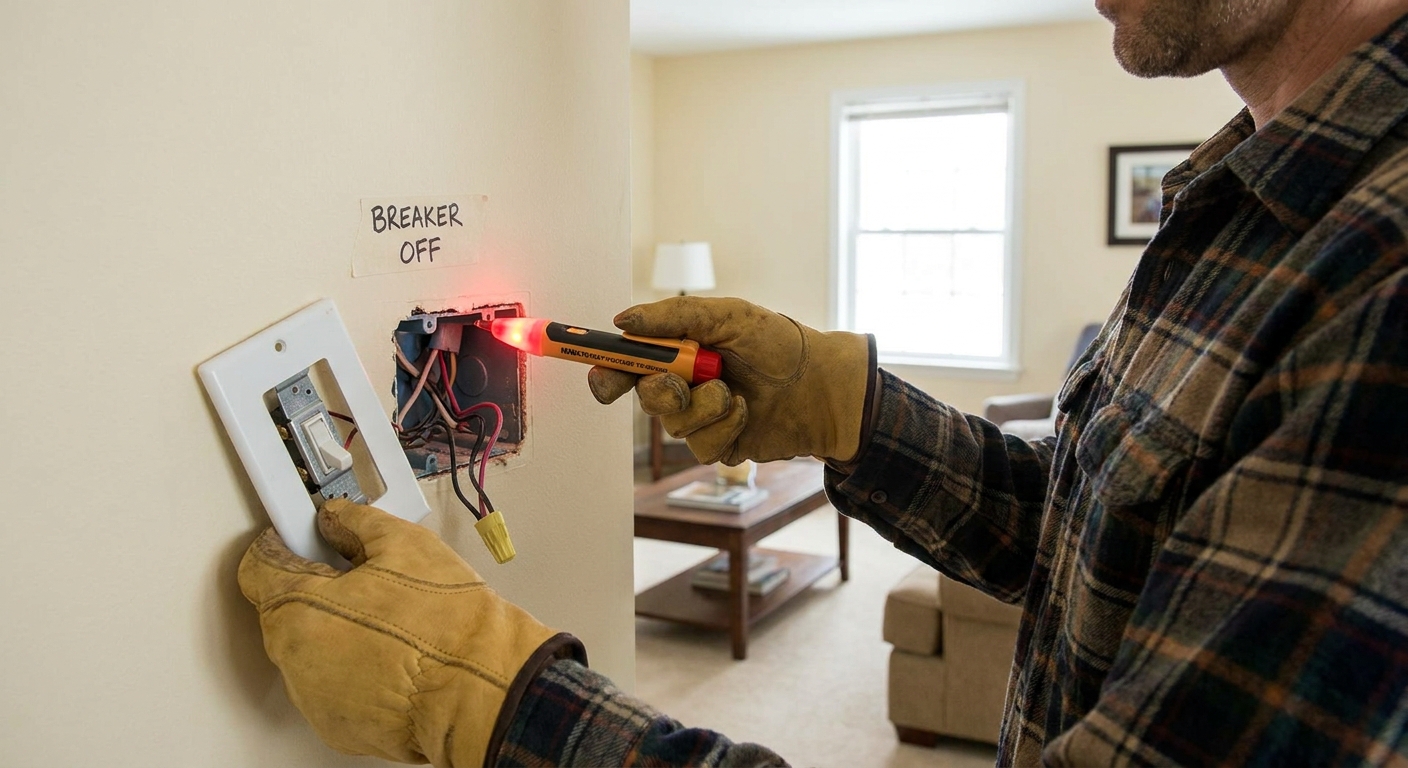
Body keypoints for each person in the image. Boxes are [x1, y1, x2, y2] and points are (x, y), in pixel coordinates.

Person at [237, 0, 1408, 764]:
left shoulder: (1383, 273)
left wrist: (491, 702)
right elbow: (1099, 533)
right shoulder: (1249, 197)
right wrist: (844, 408)